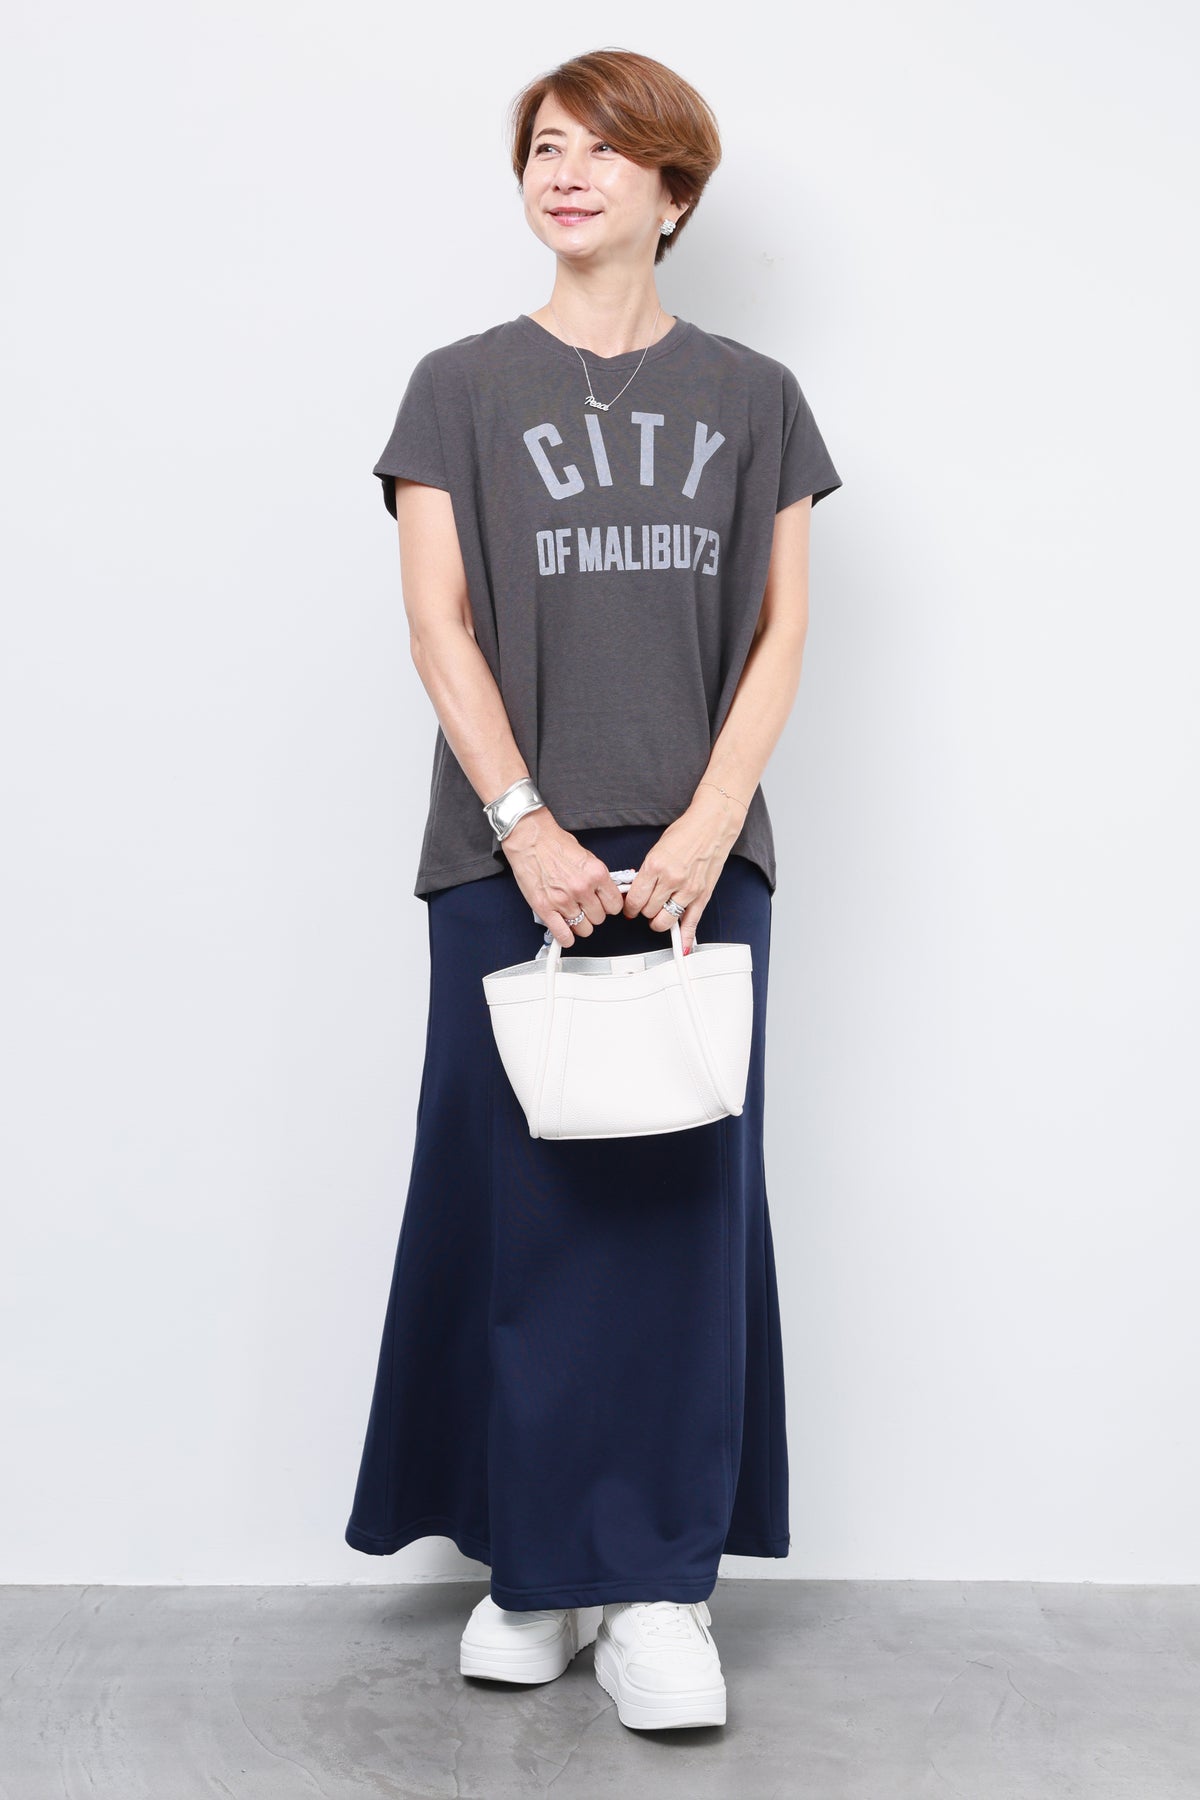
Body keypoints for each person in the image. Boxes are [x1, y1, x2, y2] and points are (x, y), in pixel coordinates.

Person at [344, 47, 843, 1733]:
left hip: (699, 860)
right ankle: (539, 1571)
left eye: (604, 151)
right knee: (521, 1213)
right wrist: (526, 824)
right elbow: (438, 624)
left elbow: (782, 634)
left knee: (683, 1218)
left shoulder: (756, 397)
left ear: (672, 193)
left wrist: (705, 825)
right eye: (545, 148)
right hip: (511, 860)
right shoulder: (458, 388)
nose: (566, 173)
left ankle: (661, 1588)